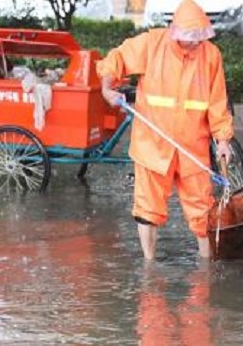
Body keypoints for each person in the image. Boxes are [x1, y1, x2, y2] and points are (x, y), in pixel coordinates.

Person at [97, 0, 235, 261]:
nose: (193, 43)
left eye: (198, 38)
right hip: (153, 146)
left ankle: (206, 266)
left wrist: (223, 140)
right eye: (188, 37)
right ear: (176, 31)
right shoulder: (151, 45)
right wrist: (107, 88)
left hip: (192, 147)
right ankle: (149, 266)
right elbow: (116, 59)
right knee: (147, 210)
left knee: (202, 211)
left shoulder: (211, 56)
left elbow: (218, 103)